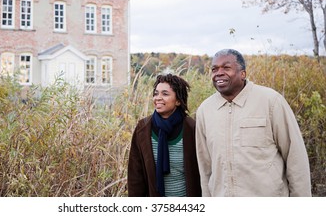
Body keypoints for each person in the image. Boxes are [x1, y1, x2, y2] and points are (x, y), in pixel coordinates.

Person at [195, 49, 312, 197]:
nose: (218, 73)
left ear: (242, 74)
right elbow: (205, 167)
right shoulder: (205, 110)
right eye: (214, 69)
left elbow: (295, 157)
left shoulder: (271, 101)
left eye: (226, 68)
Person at [128, 73, 202, 197]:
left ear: (178, 100)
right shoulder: (143, 128)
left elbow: (203, 171)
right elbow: (135, 175)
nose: (158, 98)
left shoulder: (192, 128)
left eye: (165, 94)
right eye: (156, 93)